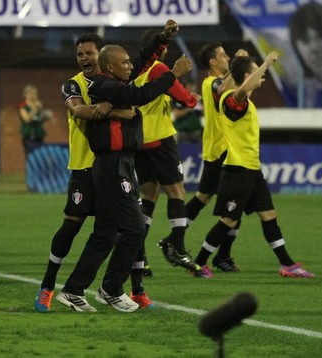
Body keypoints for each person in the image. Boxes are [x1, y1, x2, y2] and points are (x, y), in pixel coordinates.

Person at [56, 25, 193, 313]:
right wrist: (173, 74)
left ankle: (73, 290)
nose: (132, 66)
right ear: (109, 67)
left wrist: (162, 38)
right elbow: (142, 95)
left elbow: (143, 60)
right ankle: (111, 289)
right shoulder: (104, 86)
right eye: (125, 63)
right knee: (134, 228)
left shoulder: (115, 84)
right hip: (112, 166)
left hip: (122, 164)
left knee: (105, 233)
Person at [34, 33, 142, 312]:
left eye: (89, 53)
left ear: (102, 57)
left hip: (109, 167)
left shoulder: (116, 83)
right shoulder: (73, 84)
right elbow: (79, 110)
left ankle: (93, 289)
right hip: (83, 166)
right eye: (80, 54)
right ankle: (47, 285)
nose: (84, 58)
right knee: (72, 225)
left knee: (111, 231)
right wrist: (113, 111)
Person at [192, 52, 314, 279]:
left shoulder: (238, 99)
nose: (263, 76)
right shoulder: (232, 100)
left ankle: (287, 264)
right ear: (248, 75)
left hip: (252, 169)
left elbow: (238, 89)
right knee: (228, 220)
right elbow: (237, 91)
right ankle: (198, 263)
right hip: (237, 170)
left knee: (269, 214)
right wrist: (267, 62)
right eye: (259, 71)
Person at [133, 28, 200, 275]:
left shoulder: (135, 72)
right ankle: (178, 248)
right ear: (158, 48)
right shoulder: (158, 69)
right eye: (164, 46)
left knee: (149, 197)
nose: (166, 49)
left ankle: (138, 255)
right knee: (177, 191)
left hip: (140, 142)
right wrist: (191, 99)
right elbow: (183, 98)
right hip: (160, 139)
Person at [184, 42, 247, 274]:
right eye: (222, 55)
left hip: (222, 149)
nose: (227, 57)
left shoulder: (217, 82)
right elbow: (223, 90)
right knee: (232, 205)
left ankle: (176, 238)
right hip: (220, 151)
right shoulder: (213, 82)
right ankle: (219, 256)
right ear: (212, 62)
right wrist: (239, 65)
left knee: (204, 197)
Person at [18, 83, 52, 153]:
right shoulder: (23, 106)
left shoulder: (38, 105)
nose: (34, 96)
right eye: (32, 94)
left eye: (35, 94)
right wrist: (34, 109)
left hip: (39, 135)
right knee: (31, 157)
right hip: (29, 136)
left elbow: (39, 118)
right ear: (27, 95)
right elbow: (27, 119)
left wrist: (47, 116)